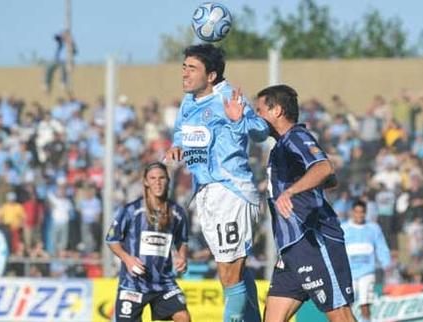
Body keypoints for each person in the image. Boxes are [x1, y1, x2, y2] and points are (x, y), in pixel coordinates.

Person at [165, 44, 268, 322]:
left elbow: (261, 131)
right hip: (206, 193)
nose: (184, 73)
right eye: (184, 67)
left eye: (192, 68)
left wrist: (240, 119)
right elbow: (180, 132)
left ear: (211, 76)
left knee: (228, 272)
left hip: (231, 190)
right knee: (235, 273)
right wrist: (177, 146)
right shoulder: (188, 101)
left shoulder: (227, 97)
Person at [254, 84, 355, 322]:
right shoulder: (280, 145)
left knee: (340, 315)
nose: (257, 117)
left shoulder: (295, 137)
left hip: (313, 240)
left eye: (259, 111)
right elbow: (330, 178)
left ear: (277, 110)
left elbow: (324, 167)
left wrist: (290, 192)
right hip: (291, 248)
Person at [106, 162, 190, 322]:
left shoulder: (177, 212)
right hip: (133, 284)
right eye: (153, 178)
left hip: (164, 283)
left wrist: (182, 256)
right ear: (145, 182)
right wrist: (127, 259)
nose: (157, 182)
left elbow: (182, 240)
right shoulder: (131, 210)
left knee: (183, 317)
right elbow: (112, 239)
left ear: (168, 180)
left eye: (161, 178)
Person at [341, 200, 391, 322]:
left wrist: (386, 263)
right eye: (357, 212)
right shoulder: (344, 228)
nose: (359, 215)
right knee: (346, 306)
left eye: (362, 212)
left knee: (365, 304)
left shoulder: (373, 228)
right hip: (349, 274)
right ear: (352, 212)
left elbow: (381, 247)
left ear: (365, 213)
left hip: (367, 272)